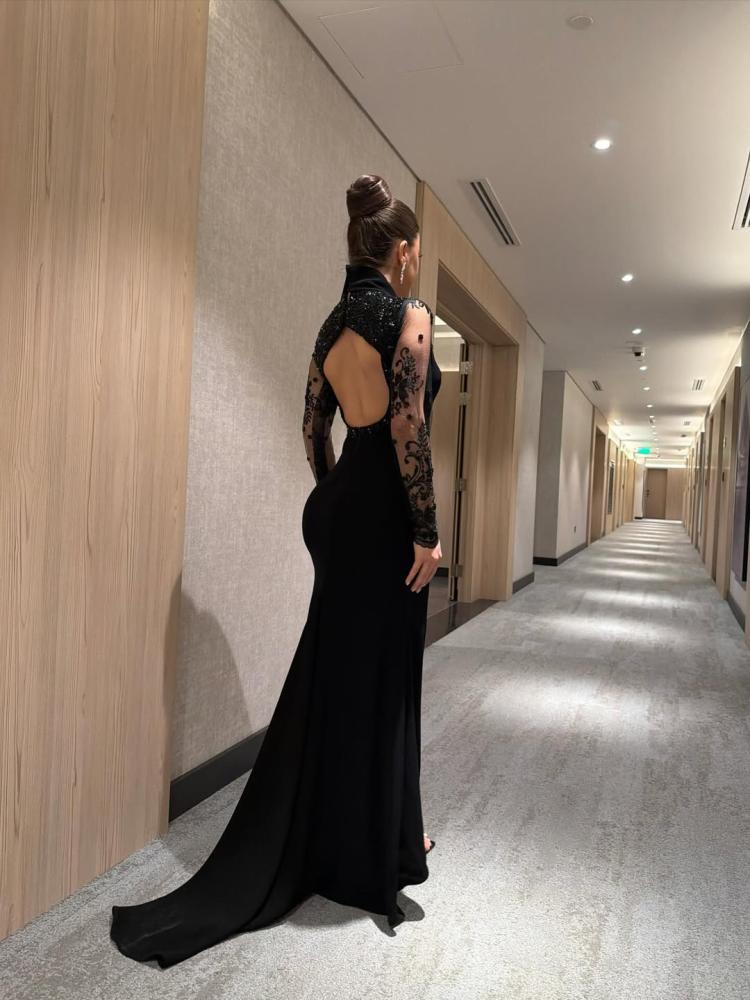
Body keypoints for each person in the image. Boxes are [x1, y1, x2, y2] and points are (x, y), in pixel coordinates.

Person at [109, 173, 442, 968]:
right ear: (402, 251)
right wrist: (426, 531)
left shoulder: (331, 326)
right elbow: (408, 425)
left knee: (336, 672)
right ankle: (385, 844)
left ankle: (350, 831)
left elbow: (311, 426)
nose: (415, 263)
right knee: (386, 678)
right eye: (415, 252)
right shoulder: (411, 317)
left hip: (337, 513)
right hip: (388, 518)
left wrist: (336, 497)